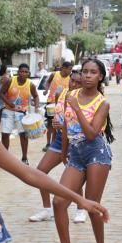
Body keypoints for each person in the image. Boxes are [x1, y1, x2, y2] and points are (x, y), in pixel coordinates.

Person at [45, 59, 114, 243]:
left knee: (93, 204)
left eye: (93, 72)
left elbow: (92, 133)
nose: (87, 75)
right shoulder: (70, 95)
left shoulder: (102, 103)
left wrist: (77, 109)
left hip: (96, 153)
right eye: (84, 71)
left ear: (100, 77)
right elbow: (66, 125)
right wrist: (64, 151)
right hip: (75, 154)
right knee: (59, 202)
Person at [29, 71, 87, 223]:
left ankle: (81, 209)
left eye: (77, 82)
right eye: (72, 81)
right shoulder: (60, 93)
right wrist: (55, 136)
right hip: (60, 139)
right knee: (40, 171)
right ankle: (47, 209)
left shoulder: (83, 99)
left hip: (75, 140)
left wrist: (63, 126)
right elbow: (56, 118)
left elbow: (86, 125)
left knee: (73, 175)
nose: (73, 84)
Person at [0, 63, 39, 165]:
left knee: (23, 135)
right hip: (8, 110)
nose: (23, 73)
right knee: (5, 134)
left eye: (26, 72)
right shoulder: (10, 81)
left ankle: (24, 158)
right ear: (18, 72)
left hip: (22, 113)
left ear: (28, 73)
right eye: (21, 71)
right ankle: (5, 157)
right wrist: (9, 104)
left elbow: (36, 96)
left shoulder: (30, 84)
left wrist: (36, 109)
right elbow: (1, 93)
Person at [43, 62, 73, 152]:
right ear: (64, 68)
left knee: (58, 124)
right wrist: (46, 89)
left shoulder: (70, 78)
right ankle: (48, 143)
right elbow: (47, 82)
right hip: (51, 102)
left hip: (62, 105)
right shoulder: (54, 74)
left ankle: (55, 143)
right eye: (69, 69)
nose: (70, 71)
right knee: (50, 124)